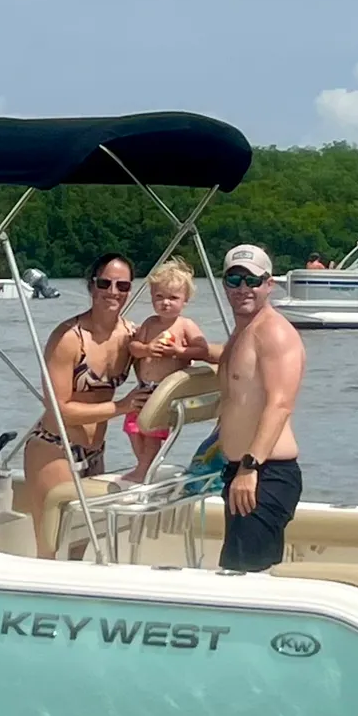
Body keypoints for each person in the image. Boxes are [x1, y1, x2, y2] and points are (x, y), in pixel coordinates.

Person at [21, 251, 137, 541]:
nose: (113, 292)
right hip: (54, 448)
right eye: (104, 283)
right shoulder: (69, 338)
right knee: (53, 543)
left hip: (95, 452)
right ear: (91, 286)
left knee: (83, 543)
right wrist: (121, 407)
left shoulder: (132, 336)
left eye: (122, 286)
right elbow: (59, 409)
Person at [213, 243, 305, 572]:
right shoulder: (242, 333)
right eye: (234, 280)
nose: (243, 289)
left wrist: (250, 467)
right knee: (235, 571)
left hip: (265, 474)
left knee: (245, 577)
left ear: (269, 284)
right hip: (239, 472)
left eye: (252, 281)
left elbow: (280, 405)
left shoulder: (275, 333)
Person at [122, 259, 219, 480]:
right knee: (133, 430)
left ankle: (143, 469)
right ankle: (144, 465)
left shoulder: (185, 325)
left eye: (173, 298)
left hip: (165, 392)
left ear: (185, 300)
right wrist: (147, 348)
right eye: (159, 297)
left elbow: (201, 348)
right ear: (152, 298)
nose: (165, 303)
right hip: (144, 388)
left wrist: (178, 351)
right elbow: (133, 347)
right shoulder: (149, 323)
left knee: (152, 432)